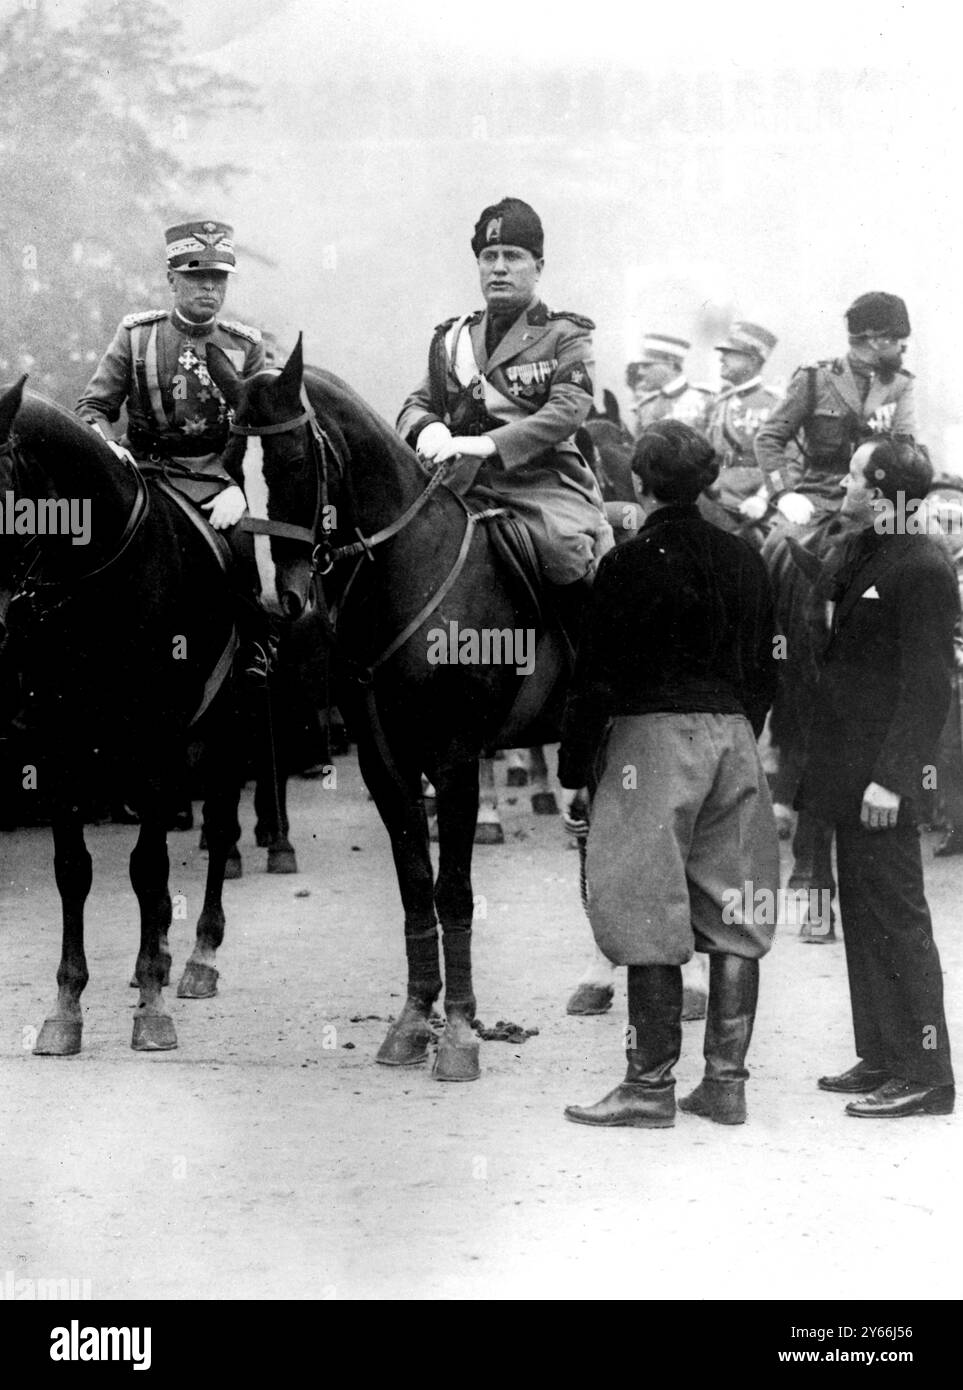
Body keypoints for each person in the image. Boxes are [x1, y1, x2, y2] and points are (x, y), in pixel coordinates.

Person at [559, 420, 780, 1128]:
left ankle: (648, 1085)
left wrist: (573, 765)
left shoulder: (626, 563)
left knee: (648, 907)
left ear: (641, 483)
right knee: (735, 910)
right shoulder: (744, 556)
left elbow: (593, 678)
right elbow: (764, 668)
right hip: (733, 737)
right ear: (706, 479)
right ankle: (725, 1084)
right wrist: (738, 729)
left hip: (650, 744)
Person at [800, 439, 956, 1117]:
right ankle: (884, 1054)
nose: (844, 482)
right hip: (845, 769)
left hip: (880, 777)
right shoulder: (864, 547)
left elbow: (927, 688)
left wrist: (892, 779)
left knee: (895, 915)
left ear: (885, 488)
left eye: (857, 475)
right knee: (861, 916)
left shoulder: (921, 565)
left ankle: (925, 1072)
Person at [397, 196, 612, 629]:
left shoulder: (564, 335)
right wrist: (430, 429)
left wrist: (487, 443)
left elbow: (567, 411)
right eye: (488, 257)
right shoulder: (454, 337)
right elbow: (415, 404)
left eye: (512, 256)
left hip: (542, 481)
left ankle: (582, 670)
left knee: (565, 552)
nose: (498, 267)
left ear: (538, 266)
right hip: (458, 481)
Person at [77, 218, 271, 678]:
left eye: (218, 278)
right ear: (171, 279)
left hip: (217, 486)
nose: (209, 287)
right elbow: (93, 407)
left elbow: (267, 434)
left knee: (248, 551)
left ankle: (255, 653)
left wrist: (238, 488)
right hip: (144, 476)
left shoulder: (246, 346)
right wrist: (111, 450)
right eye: (196, 276)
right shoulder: (137, 336)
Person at [753, 291, 915, 529]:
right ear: (876, 340)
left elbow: (909, 448)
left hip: (882, 498)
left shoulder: (901, 384)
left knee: (938, 545)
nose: (904, 347)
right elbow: (769, 438)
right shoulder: (815, 379)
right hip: (821, 497)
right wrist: (784, 493)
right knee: (782, 546)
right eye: (898, 339)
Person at [704, 320, 781, 539]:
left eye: (731, 353)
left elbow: (787, 461)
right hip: (718, 498)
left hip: (754, 506)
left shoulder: (775, 404)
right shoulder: (721, 402)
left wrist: (763, 498)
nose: (722, 358)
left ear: (754, 359)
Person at [626, 333, 713, 438]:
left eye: (646, 365)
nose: (640, 372)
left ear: (671, 364)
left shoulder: (705, 400)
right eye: (639, 367)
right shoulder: (646, 406)